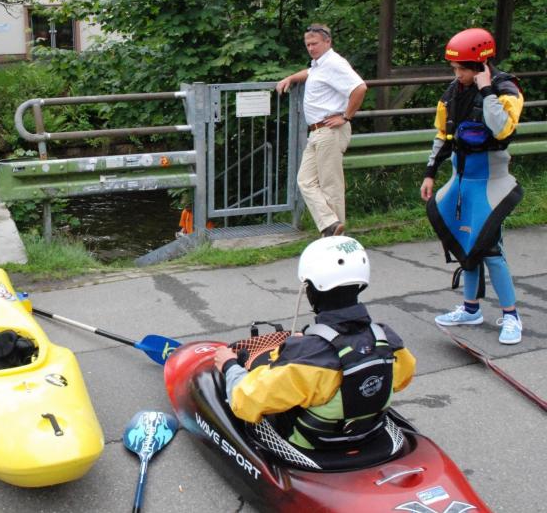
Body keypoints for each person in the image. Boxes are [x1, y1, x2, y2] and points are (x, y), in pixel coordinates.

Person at [213, 236, 416, 454]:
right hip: (370, 432)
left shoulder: (306, 357)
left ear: (310, 291)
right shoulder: (388, 339)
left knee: (240, 381)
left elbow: (245, 402)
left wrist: (230, 366)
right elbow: (401, 379)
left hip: (312, 444)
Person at [420, 28, 525, 345]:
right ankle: (470, 309)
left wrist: (486, 90)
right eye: (455, 69)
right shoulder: (453, 92)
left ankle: (511, 316)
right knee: (465, 245)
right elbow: (443, 135)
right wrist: (430, 173)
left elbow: (501, 128)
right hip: (461, 180)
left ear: (481, 65)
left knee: (490, 250)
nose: (458, 75)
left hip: (491, 183)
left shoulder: (506, 90)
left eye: (463, 69)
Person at [276, 24, 367, 237]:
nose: (311, 48)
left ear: (328, 42)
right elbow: (310, 72)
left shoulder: (334, 63)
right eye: (308, 44)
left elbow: (360, 87)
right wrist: (291, 78)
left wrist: (346, 116)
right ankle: (331, 224)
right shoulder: (319, 65)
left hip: (330, 130)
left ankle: (335, 236)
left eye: (314, 43)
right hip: (317, 131)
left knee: (330, 184)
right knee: (305, 180)